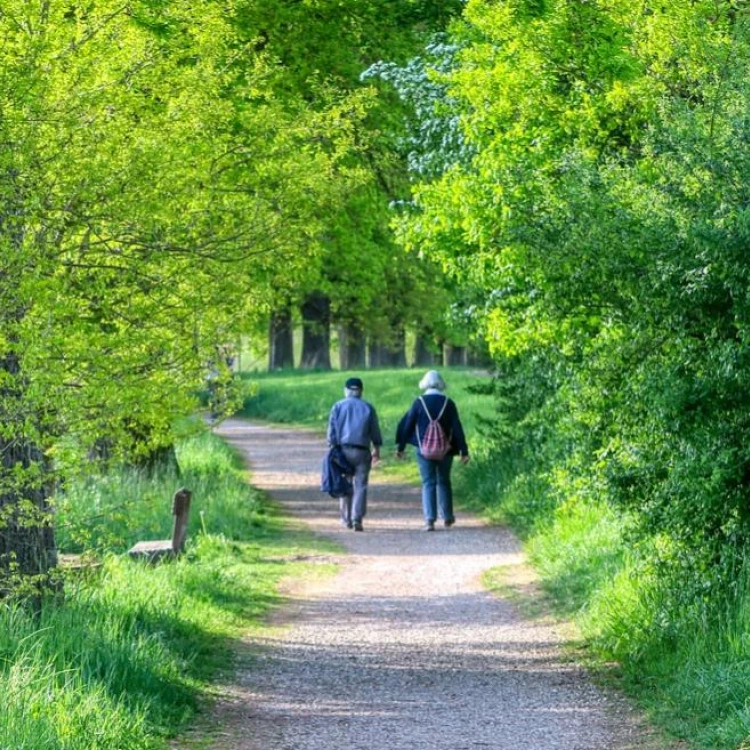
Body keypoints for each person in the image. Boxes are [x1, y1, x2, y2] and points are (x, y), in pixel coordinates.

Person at [396, 370, 470, 531]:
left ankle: (429, 520)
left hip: (424, 450)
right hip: (446, 450)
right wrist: (464, 451)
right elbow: (457, 427)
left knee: (428, 482)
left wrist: (401, 447)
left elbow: (408, 424)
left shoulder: (419, 402)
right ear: (440, 384)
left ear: (425, 384)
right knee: (444, 481)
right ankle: (448, 517)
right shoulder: (448, 403)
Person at [327, 377, 383, 531]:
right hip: (362, 451)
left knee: (345, 484)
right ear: (360, 391)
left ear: (346, 390)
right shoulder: (368, 408)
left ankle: (346, 519)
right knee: (361, 485)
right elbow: (374, 431)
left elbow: (331, 431)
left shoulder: (337, 406)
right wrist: (377, 448)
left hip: (342, 451)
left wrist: (332, 447)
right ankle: (357, 518)